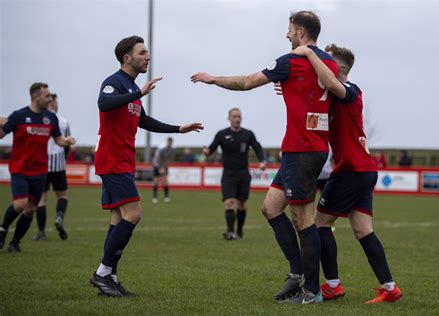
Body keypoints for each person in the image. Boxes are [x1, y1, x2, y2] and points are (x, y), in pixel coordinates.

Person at [191, 11, 338, 304]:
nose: (286, 35)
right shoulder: (328, 62)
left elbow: (247, 82)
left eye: (289, 29)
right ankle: (297, 276)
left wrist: (213, 79)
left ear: (300, 33)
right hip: (301, 148)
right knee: (271, 208)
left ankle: (312, 291)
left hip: (303, 150)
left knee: (303, 218)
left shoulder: (291, 60)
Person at [90, 35, 203, 298]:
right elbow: (103, 103)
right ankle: (102, 272)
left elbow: (144, 121)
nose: (147, 57)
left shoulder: (130, 87)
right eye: (142, 53)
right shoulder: (114, 82)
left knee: (118, 218)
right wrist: (138, 92)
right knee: (134, 214)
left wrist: (178, 129)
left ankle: (110, 277)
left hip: (122, 160)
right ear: (127, 58)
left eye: (148, 52)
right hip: (112, 159)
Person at [292, 43, 402, 303]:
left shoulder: (350, 91)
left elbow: (330, 85)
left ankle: (332, 285)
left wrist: (308, 52)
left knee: (319, 225)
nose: (322, 63)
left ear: (338, 68)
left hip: (351, 171)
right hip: (363, 171)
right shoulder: (336, 95)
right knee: (363, 230)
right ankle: (390, 288)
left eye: (327, 61)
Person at [0, 83, 75, 252]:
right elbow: (2, 134)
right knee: (20, 204)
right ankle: (2, 229)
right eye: (47, 96)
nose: (50, 99)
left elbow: (58, 140)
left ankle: (15, 242)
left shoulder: (51, 118)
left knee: (30, 210)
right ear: (36, 97)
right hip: (20, 169)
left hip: (40, 171)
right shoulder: (19, 116)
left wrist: (67, 141)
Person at [203, 108, 266, 240]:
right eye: (234, 116)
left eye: (239, 116)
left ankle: (239, 231)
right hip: (228, 175)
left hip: (243, 174)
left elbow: (257, 148)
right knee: (229, 202)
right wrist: (207, 151)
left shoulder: (248, 134)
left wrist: (262, 161)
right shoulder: (222, 134)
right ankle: (230, 232)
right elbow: (212, 148)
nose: (237, 119)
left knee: (242, 204)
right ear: (229, 118)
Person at [32, 94, 71, 241]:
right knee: (62, 196)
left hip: (42, 165)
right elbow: (66, 143)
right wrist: (63, 158)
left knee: (41, 200)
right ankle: (59, 218)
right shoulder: (64, 121)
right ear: (54, 104)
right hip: (59, 165)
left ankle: (41, 232)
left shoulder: (40, 119)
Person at [152, 137, 176, 203]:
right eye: (168, 142)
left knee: (165, 181)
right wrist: (160, 168)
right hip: (157, 165)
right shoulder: (162, 149)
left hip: (164, 165)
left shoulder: (172, 150)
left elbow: (170, 158)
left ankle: (166, 197)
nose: (169, 143)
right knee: (156, 181)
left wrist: (164, 166)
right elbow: (158, 159)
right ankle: (154, 197)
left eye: (171, 142)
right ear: (167, 142)